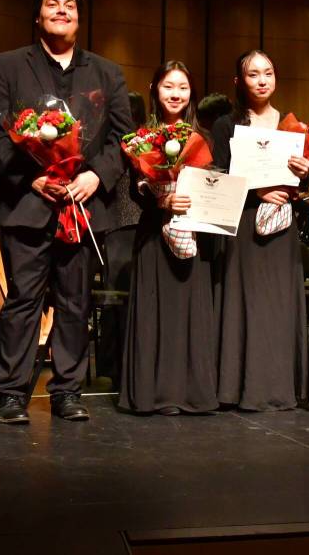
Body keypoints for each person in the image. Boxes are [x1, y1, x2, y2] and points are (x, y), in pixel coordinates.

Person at [0, 0, 132, 424]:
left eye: (69, 5)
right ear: (37, 15)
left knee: (75, 302)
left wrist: (94, 177)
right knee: (22, 300)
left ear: (79, 18)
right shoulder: (7, 65)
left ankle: (68, 390)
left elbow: (123, 135)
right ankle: (9, 391)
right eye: (52, 4)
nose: (61, 10)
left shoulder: (108, 72)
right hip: (30, 204)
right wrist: (32, 180)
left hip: (83, 206)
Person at [211, 50, 309, 411]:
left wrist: (303, 171)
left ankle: (280, 386)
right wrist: (255, 188)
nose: (262, 80)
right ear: (239, 81)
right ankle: (240, 388)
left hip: (282, 225)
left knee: (278, 305)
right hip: (244, 223)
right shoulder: (226, 125)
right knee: (245, 302)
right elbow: (218, 176)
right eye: (253, 74)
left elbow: (303, 182)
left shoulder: (291, 125)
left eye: (268, 73)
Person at [118, 61, 219, 415]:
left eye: (183, 87)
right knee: (155, 309)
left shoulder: (203, 138)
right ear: (154, 90)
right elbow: (131, 188)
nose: (175, 93)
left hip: (194, 232)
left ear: (192, 93)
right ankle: (153, 394)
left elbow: (215, 187)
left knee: (189, 311)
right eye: (168, 86)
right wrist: (159, 197)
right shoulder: (140, 137)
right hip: (152, 232)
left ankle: (190, 394)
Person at [95, 91, 146, 385]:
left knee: (119, 297)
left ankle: (119, 367)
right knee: (121, 298)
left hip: (123, 224)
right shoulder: (124, 142)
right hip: (124, 224)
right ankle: (121, 367)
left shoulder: (132, 141)